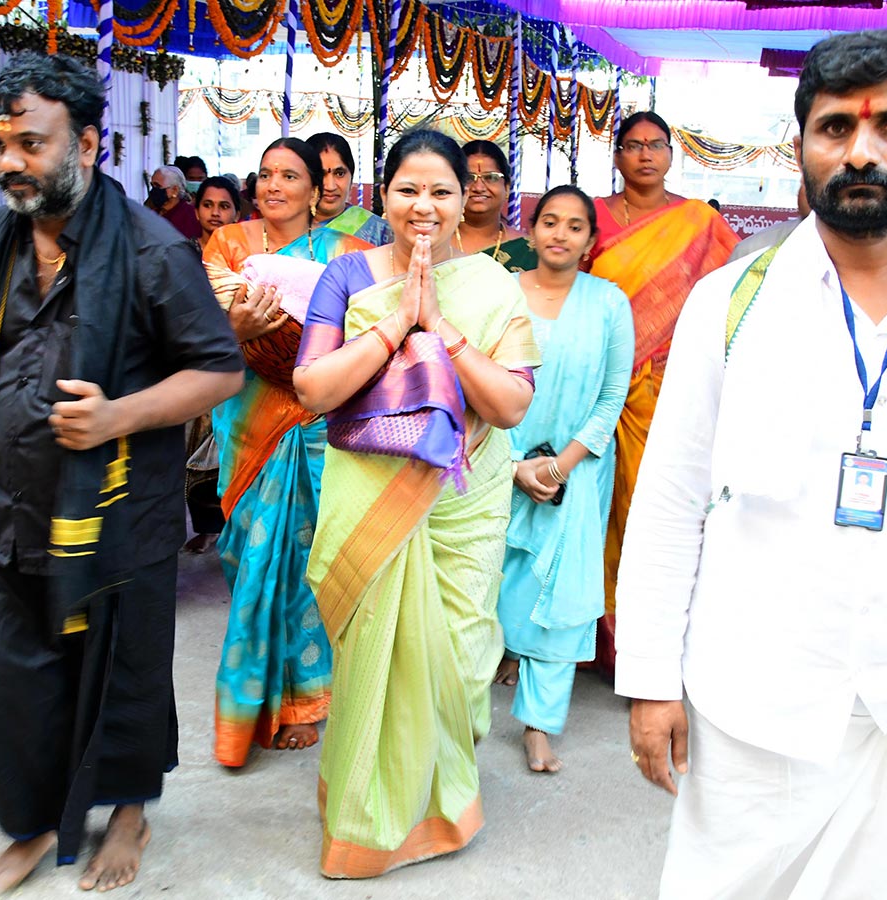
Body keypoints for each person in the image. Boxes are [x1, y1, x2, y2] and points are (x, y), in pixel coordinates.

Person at [617, 30, 887, 898]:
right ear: (801, 146)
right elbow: (668, 500)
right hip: (753, 713)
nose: (862, 153)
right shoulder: (729, 304)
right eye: (835, 128)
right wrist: (650, 682)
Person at [0, 54, 243, 895]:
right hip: (10, 510)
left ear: (89, 144)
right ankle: (36, 821)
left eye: (31, 143)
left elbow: (218, 371)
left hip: (116, 518)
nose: (10, 162)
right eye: (2, 143)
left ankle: (131, 811)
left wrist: (119, 415)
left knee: (123, 679)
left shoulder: (151, 249)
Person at [294, 129, 540, 877]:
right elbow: (312, 389)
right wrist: (399, 320)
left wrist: (442, 329)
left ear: (466, 200)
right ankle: (366, 828)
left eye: (442, 190)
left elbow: (511, 407)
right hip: (371, 499)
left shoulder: (496, 286)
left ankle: (445, 802)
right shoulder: (346, 276)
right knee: (378, 653)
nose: (423, 205)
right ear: (382, 194)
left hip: (465, 503)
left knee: (462, 661)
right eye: (408, 189)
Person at [202, 137, 371, 768]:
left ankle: (303, 702)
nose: (276, 186)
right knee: (247, 554)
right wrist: (239, 331)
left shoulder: (348, 254)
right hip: (247, 422)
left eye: (290, 176)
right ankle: (256, 696)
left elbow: (364, 333)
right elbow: (200, 326)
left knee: (307, 561)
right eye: (266, 174)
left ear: (314, 190)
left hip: (317, 424)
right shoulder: (228, 246)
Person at [589, 111, 739, 677]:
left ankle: (652, 644)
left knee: (659, 507)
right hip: (598, 383)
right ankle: (592, 643)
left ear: (672, 153)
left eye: (655, 145)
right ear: (618, 154)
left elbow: (732, 293)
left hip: (669, 388)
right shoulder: (593, 215)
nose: (645, 155)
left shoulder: (698, 222)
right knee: (594, 511)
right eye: (632, 145)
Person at [495, 186, 633, 773]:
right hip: (496, 460)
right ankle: (464, 706)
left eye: (575, 226)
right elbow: (473, 384)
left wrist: (561, 464)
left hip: (576, 470)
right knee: (487, 582)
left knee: (562, 594)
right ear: (529, 232)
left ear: (590, 241)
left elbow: (611, 397)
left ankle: (538, 725)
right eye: (549, 222)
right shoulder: (502, 297)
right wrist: (514, 464)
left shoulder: (608, 303)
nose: (560, 234)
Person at [182, 174, 243, 554]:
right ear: (196, 208)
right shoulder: (183, 253)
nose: (216, 213)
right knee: (193, 454)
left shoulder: (247, 256)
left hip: (236, 364)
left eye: (224, 206)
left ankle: (227, 527)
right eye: (208, 205)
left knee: (226, 453)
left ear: (237, 211)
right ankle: (203, 526)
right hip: (191, 364)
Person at [458, 139, 537, 271]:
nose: (478, 187)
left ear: (507, 187)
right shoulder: (435, 243)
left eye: (491, 177)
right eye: (468, 178)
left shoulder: (527, 250)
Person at [304, 132, 391, 246]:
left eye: (340, 174)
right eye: (321, 174)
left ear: (351, 176)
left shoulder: (379, 231)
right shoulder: (284, 228)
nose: (330, 186)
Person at [145, 165, 200, 240]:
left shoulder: (190, 215)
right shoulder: (152, 212)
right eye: (152, 186)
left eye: (158, 186)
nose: (154, 190)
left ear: (174, 190)